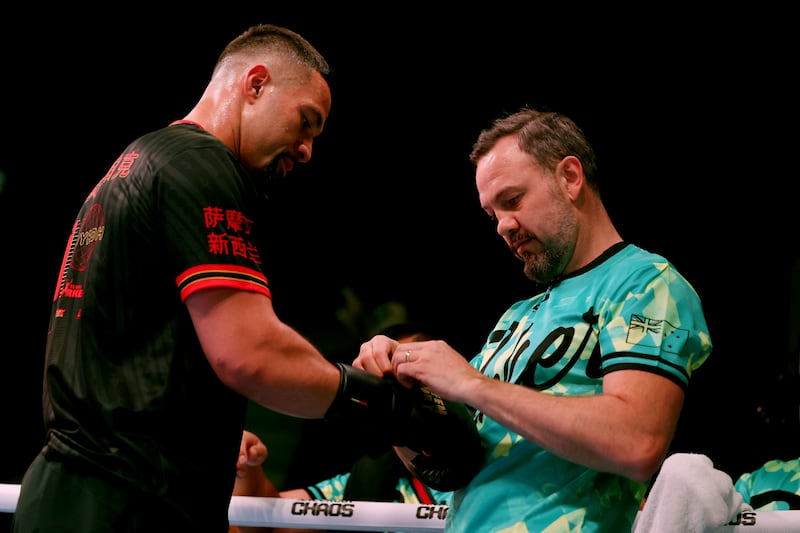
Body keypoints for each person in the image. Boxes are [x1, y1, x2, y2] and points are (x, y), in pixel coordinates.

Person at [12, 24, 480, 533]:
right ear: (255, 83)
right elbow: (249, 353)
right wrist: (388, 409)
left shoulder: (135, 164)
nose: (307, 150)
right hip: (127, 500)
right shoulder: (201, 165)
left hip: (82, 491)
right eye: (306, 122)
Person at [352, 107, 714, 532]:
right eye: (492, 215)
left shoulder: (646, 283)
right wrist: (397, 401)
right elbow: (452, 469)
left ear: (570, 177)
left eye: (512, 200)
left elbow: (638, 441)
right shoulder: (516, 316)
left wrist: (472, 383)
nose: (503, 227)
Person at [229, 322, 454, 533]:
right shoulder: (370, 482)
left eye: (414, 375)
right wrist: (246, 465)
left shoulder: (490, 448)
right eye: (392, 385)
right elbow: (266, 525)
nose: (406, 394)